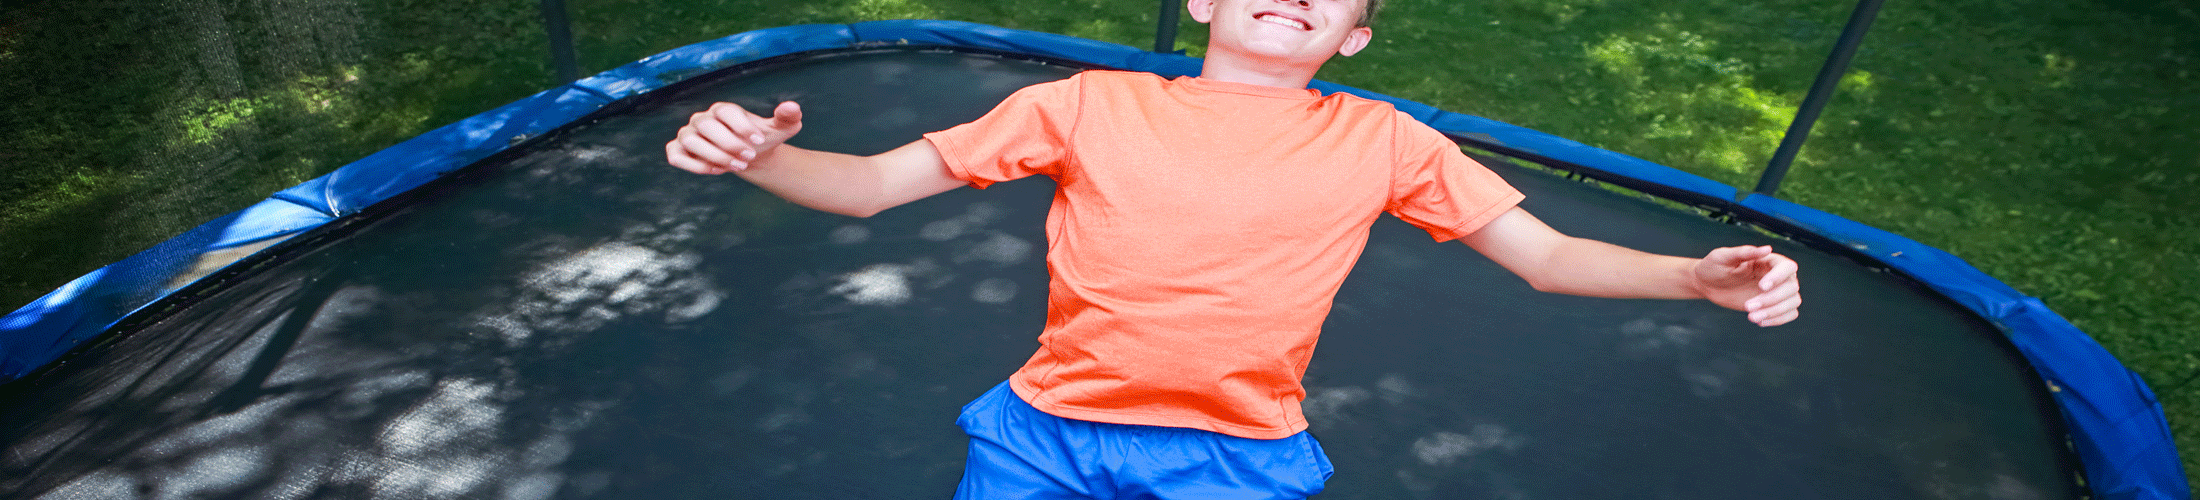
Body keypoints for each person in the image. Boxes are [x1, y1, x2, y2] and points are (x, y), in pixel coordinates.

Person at [666, 0, 1802, 497]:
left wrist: (1692, 277)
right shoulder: (1088, 103)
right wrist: (754, 157)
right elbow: (865, 187)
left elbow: (1547, 257)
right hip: (1045, 431)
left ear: (1350, 34)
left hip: (1236, 453)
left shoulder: (1384, 137)